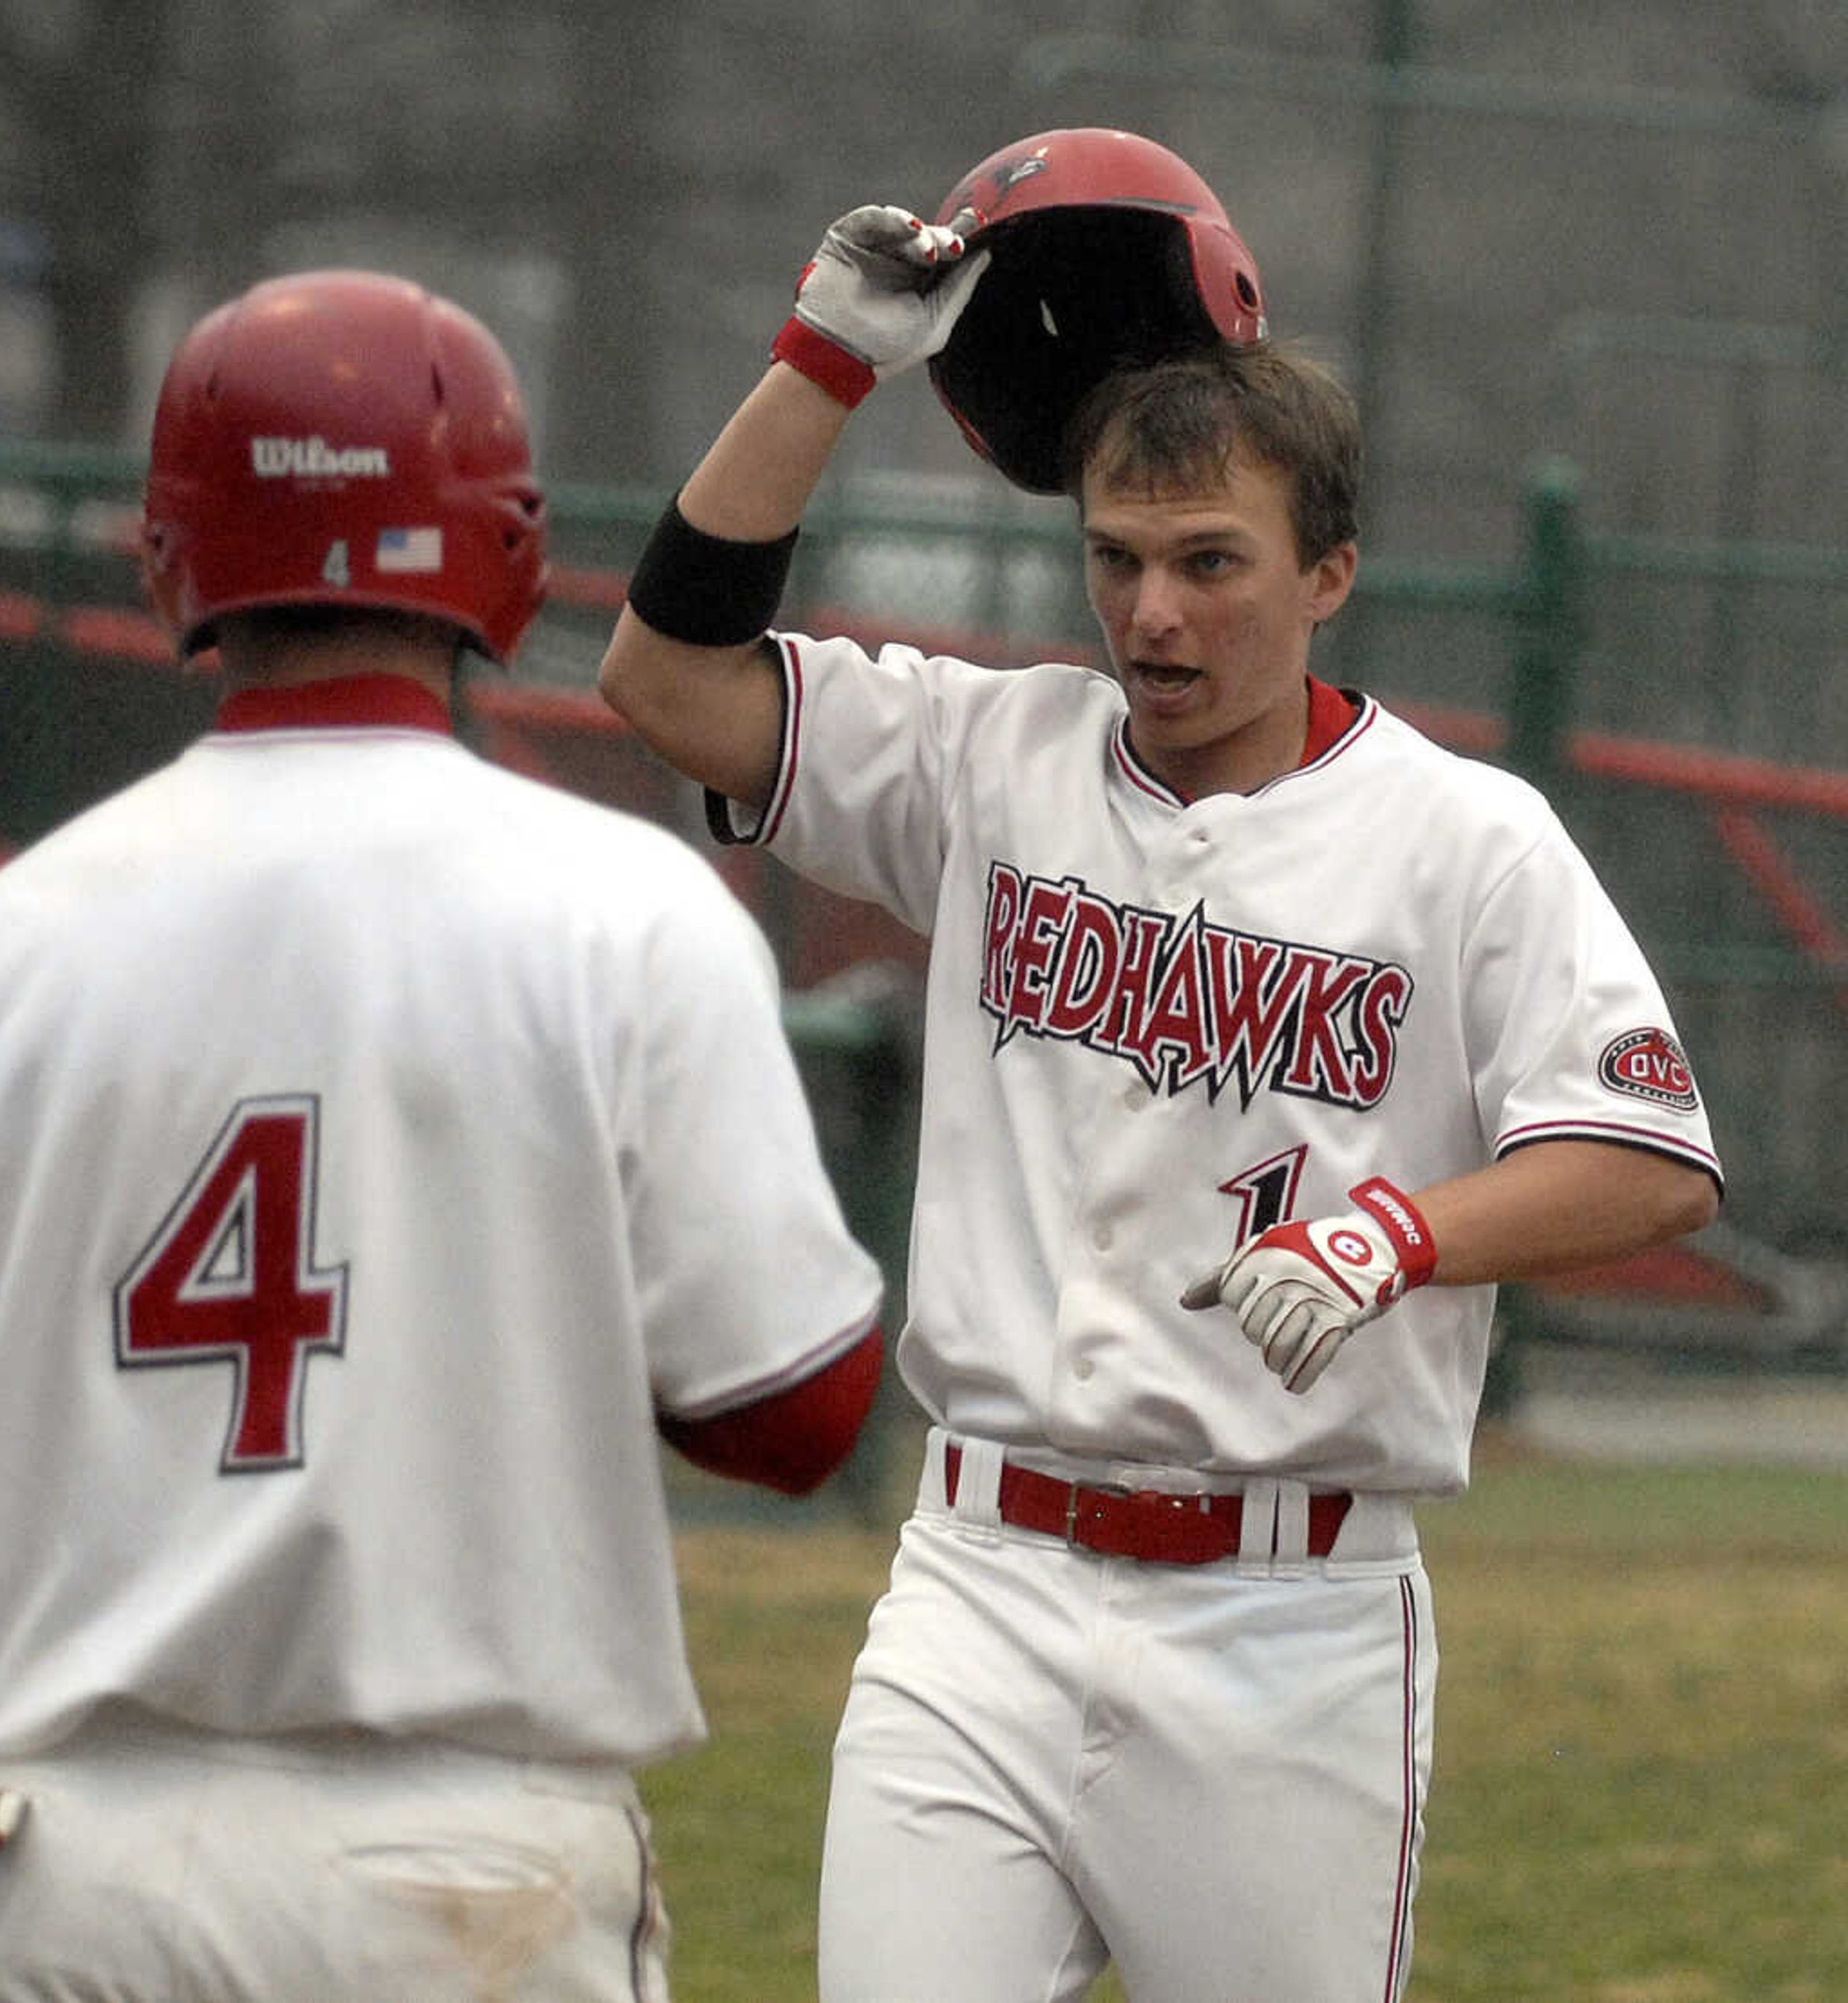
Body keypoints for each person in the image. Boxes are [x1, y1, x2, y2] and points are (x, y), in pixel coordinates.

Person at [595, 188, 1724, 2001]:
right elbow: (664, 676)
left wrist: (1399, 1236)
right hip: (979, 1584)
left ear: (1329, 574)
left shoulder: (1465, 841)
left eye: (1211, 561)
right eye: (1117, 558)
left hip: (1291, 1620)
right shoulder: (992, 754)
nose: (1153, 607)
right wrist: (821, 365)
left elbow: (1647, 1161)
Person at [0, 268, 889, 2001]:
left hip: (68, 1864)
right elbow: (798, 1413)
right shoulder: (627, 910)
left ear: (167, 565)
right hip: (466, 1875)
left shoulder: (2, 942)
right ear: (510, 558)